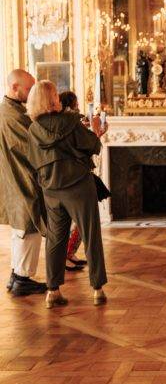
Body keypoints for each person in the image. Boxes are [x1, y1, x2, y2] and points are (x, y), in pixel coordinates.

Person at [26, 79, 108, 309]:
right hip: (79, 186)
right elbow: (93, 146)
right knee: (91, 234)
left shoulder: (33, 129)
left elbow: (32, 161)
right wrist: (96, 132)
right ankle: (97, 289)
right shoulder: (71, 121)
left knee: (55, 239)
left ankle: (52, 291)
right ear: (53, 99)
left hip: (51, 190)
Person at [0, 69, 46, 297]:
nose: (32, 93)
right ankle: (22, 279)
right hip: (21, 178)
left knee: (22, 228)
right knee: (29, 226)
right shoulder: (13, 115)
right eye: (29, 89)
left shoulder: (12, 110)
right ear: (14, 87)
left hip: (15, 178)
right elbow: (32, 147)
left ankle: (17, 275)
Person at [58, 90, 87, 272]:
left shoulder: (74, 121)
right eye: (75, 103)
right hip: (69, 178)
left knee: (79, 221)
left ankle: (70, 253)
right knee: (74, 220)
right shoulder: (67, 124)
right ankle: (65, 256)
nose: (77, 106)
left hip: (77, 174)